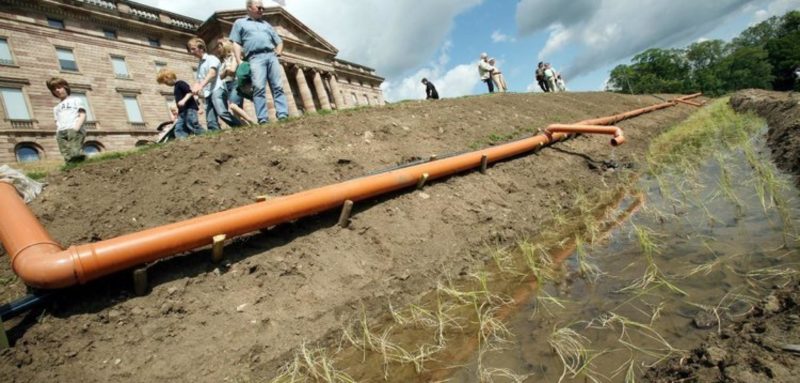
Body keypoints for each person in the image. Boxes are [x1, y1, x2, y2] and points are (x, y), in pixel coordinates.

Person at [229, 0, 289, 124]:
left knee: (277, 86)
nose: (262, 10)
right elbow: (236, 42)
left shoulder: (266, 24)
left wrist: (278, 52)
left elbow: (279, 41)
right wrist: (239, 60)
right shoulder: (240, 23)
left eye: (263, 8)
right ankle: (263, 118)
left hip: (271, 56)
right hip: (255, 57)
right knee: (259, 88)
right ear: (249, 8)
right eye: (259, 7)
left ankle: (282, 114)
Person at [187, 37, 243, 131]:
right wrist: (193, 91)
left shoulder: (211, 59)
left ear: (201, 48)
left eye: (193, 49)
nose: (191, 52)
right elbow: (198, 81)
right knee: (210, 120)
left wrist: (200, 86)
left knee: (222, 112)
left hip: (217, 89)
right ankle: (215, 138)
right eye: (190, 49)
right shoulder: (200, 65)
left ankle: (240, 127)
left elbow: (212, 74)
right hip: (208, 92)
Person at [216, 38, 257, 126]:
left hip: (236, 84)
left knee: (232, 105)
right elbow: (220, 77)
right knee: (236, 112)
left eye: (219, 47)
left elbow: (232, 70)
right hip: (226, 86)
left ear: (225, 46)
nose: (217, 49)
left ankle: (252, 121)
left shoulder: (234, 56)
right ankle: (245, 128)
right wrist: (226, 71)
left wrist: (226, 71)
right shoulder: (223, 61)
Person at [46, 77, 86, 163]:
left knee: (75, 152)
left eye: (59, 87)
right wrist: (58, 132)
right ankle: (71, 169)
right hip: (61, 131)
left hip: (73, 128)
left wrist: (76, 128)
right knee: (66, 154)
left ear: (65, 87)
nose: (57, 90)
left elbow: (82, 114)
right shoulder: (56, 108)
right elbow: (57, 121)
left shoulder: (75, 100)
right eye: (54, 89)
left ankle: (84, 165)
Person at [157, 68, 204, 139]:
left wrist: (184, 100)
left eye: (165, 82)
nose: (166, 84)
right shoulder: (176, 87)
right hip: (182, 112)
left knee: (191, 124)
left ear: (169, 77)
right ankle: (183, 141)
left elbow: (190, 92)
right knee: (179, 128)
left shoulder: (180, 83)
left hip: (189, 109)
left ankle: (204, 135)